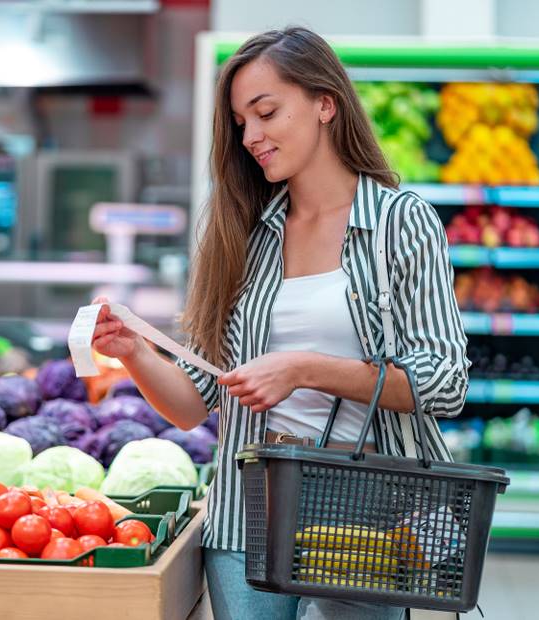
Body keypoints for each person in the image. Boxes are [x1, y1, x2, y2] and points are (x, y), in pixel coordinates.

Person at [90, 26, 469, 620]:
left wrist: (304, 369)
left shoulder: (402, 223)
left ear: (325, 103)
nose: (252, 136)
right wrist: (136, 353)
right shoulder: (241, 231)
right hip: (249, 509)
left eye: (266, 112)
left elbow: (443, 383)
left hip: (367, 511)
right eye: (241, 122)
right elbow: (195, 405)